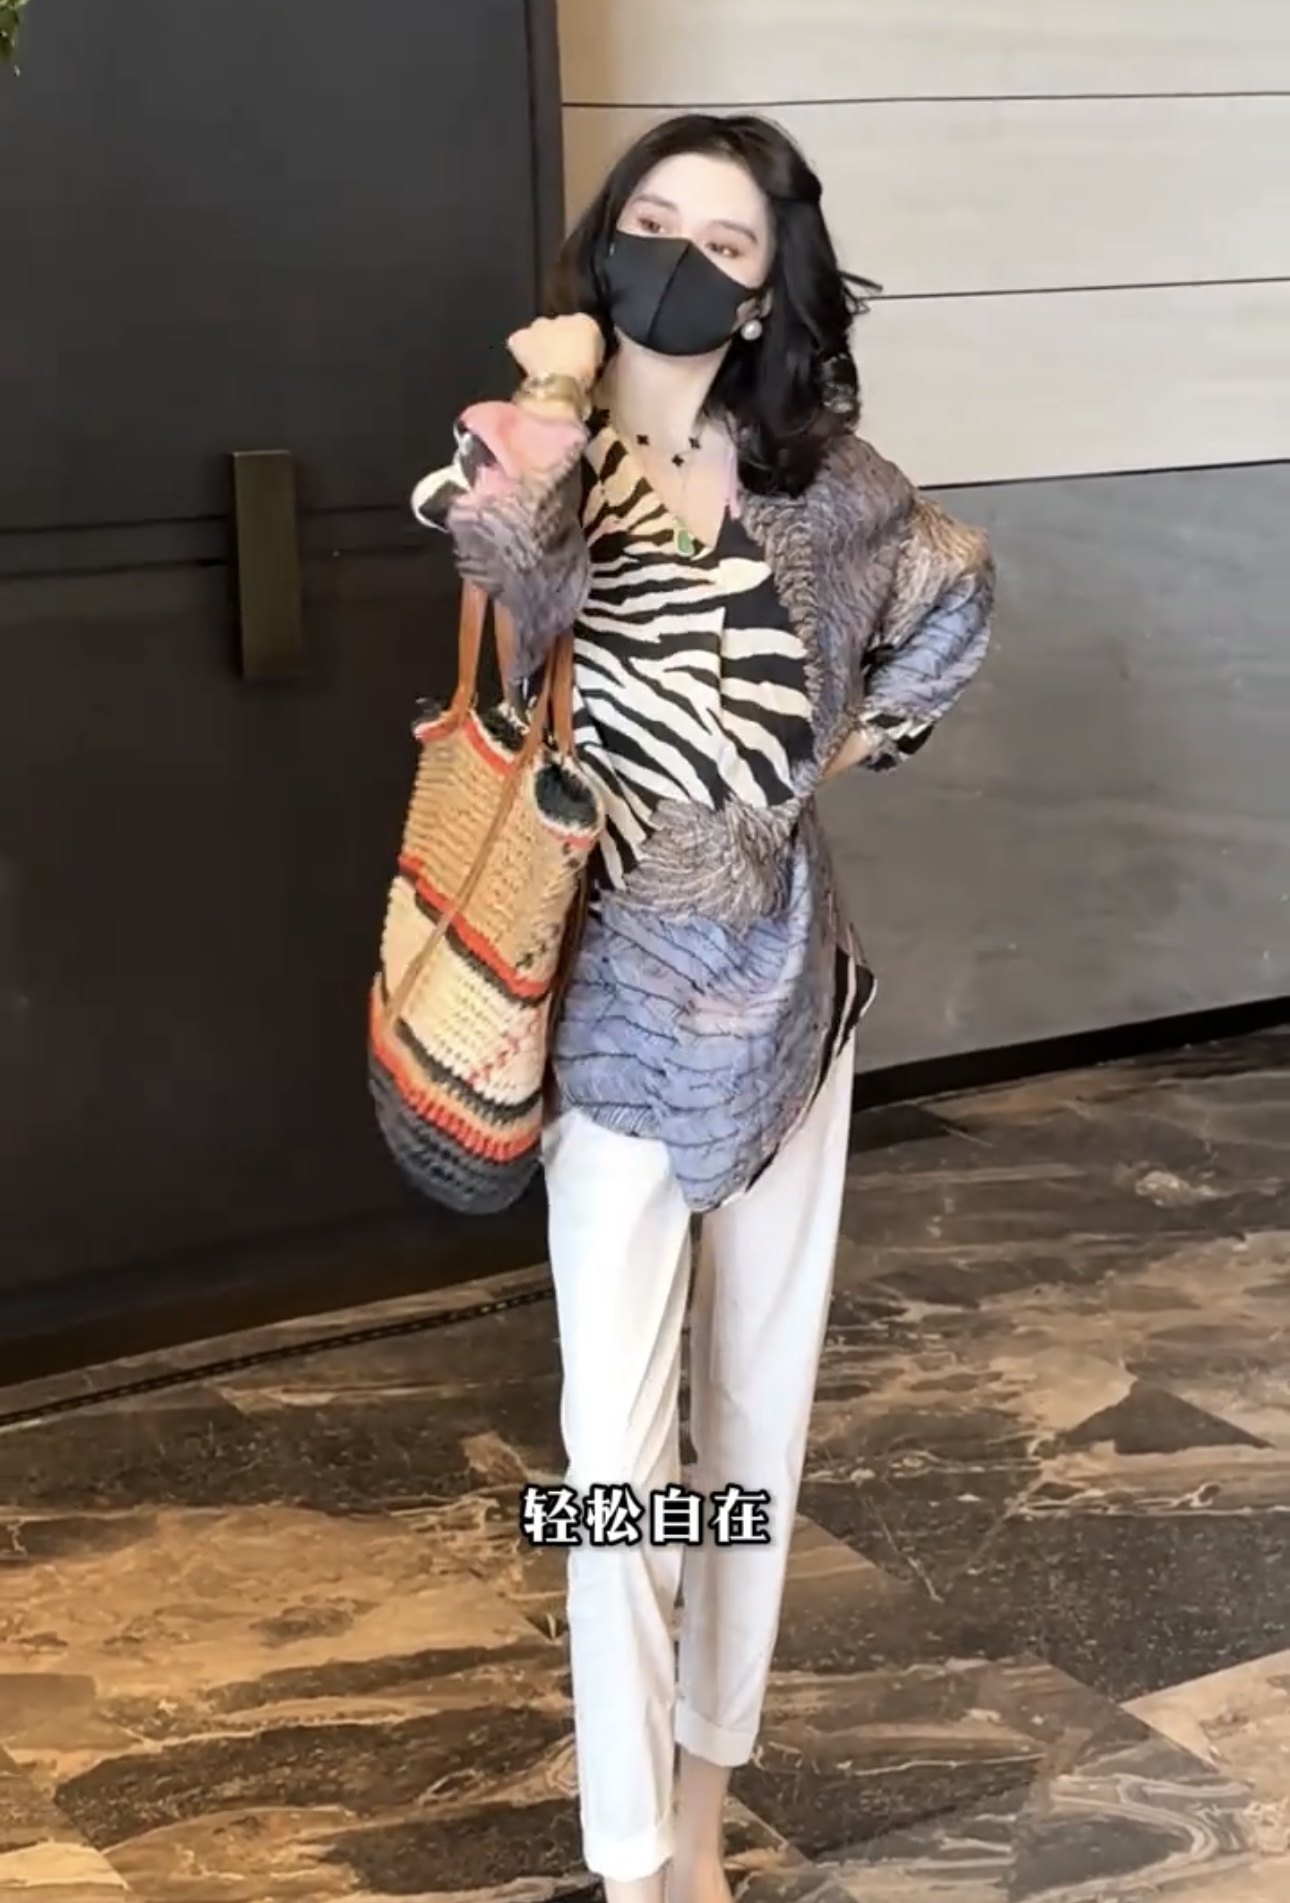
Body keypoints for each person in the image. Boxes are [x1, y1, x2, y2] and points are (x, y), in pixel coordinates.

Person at [411, 112, 993, 1903]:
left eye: (722, 243)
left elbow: (955, 594)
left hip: (789, 1006)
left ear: (761, 294)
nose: (674, 258)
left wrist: (830, 758)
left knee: (751, 1422)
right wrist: (555, 407)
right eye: (648, 222)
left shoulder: (829, 487)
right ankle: (626, 1856)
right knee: (612, 1464)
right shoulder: (533, 450)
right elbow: (507, 582)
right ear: (605, 245)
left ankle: (700, 1819)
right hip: (605, 1015)